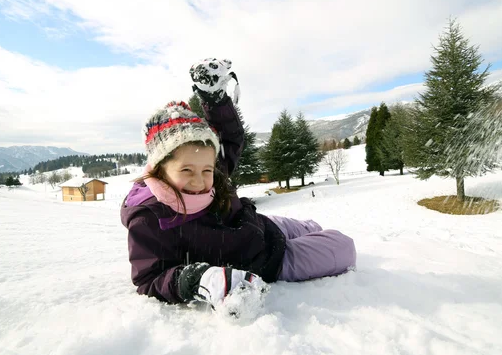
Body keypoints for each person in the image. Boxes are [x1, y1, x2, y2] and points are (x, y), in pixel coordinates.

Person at [120, 58, 356, 308]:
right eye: (186, 170)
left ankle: (306, 234)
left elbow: (230, 138)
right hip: (268, 258)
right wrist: (193, 278)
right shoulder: (149, 219)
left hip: (261, 226)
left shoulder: (211, 171)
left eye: (206, 169)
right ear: (159, 168)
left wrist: (215, 99)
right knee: (343, 245)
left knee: (312, 226)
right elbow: (149, 278)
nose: (200, 181)